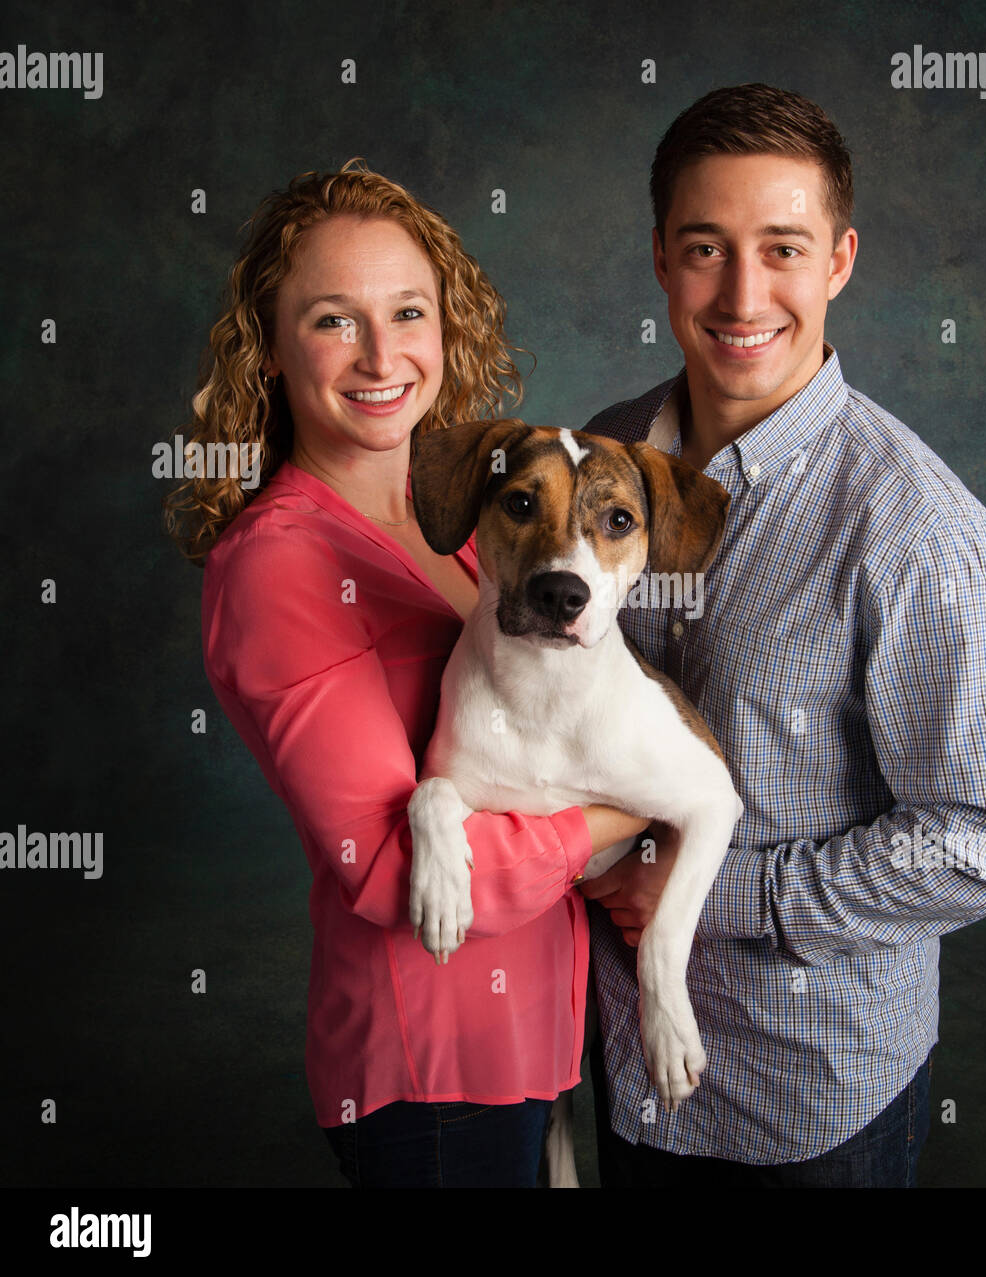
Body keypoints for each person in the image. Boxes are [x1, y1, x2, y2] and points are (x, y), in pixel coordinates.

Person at [579, 83, 986, 1187]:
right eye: (706, 247)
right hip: (615, 1057)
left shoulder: (924, 535)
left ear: (839, 259)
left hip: (804, 1101)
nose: (743, 292)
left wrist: (713, 891)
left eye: (782, 248)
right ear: (659, 257)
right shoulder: (602, 455)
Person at [165, 158, 647, 1187]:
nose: (382, 355)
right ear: (270, 348)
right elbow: (389, 867)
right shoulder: (281, 562)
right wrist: (632, 811)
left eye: (409, 312)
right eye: (335, 319)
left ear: (445, 327)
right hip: (434, 1066)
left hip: (537, 1033)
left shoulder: (477, 520)